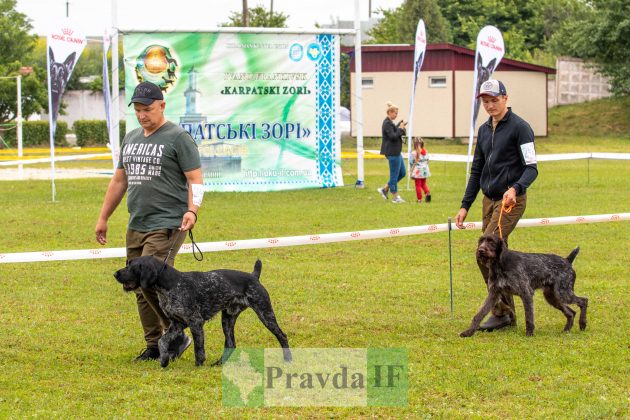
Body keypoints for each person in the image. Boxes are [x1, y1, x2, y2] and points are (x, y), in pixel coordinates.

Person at [95, 81, 203, 361]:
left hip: (168, 224)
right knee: (137, 285)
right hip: (137, 223)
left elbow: (195, 179)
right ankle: (156, 345)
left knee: (150, 281)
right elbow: (119, 180)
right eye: (139, 110)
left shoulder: (179, 138)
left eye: (148, 109)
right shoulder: (130, 138)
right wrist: (104, 216)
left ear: (162, 106)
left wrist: (192, 210)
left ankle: (175, 336)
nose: (143, 115)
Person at [454, 79, 538, 332]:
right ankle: (507, 312)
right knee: (499, 256)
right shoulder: (483, 130)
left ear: (505, 98)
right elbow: (477, 170)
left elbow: (531, 169)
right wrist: (465, 205)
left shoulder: (521, 128)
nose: (490, 105)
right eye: (486, 101)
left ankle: (501, 312)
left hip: (510, 201)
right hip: (488, 200)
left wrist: (515, 189)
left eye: (494, 100)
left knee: (485, 253)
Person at [377, 101, 408, 203]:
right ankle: (395, 197)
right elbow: (393, 136)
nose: (396, 115)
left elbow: (397, 132)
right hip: (392, 152)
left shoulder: (391, 123)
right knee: (394, 176)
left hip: (397, 152)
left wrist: (401, 126)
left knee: (402, 173)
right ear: (390, 112)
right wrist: (400, 128)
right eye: (395, 113)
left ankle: (385, 189)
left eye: (397, 113)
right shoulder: (386, 124)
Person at [410, 137, 431, 203]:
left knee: (418, 185)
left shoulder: (414, 153)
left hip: (418, 171)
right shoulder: (426, 151)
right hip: (425, 170)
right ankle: (427, 193)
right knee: (423, 183)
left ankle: (419, 199)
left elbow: (412, 163)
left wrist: (411, 172)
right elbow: (427, 161)